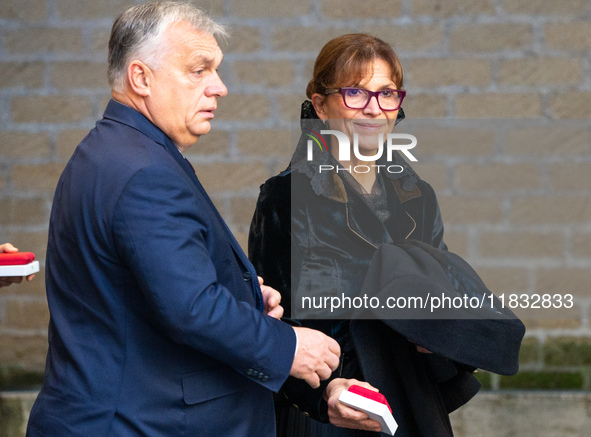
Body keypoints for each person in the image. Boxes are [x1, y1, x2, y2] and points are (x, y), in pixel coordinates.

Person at [26, 2, 340, 436]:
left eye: (216, 69)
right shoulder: (143, 171)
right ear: (141, 78)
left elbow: (143, 284)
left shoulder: (112, 151)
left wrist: (243, 293)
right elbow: (191, 308)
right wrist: (289, 346)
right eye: (199, 70)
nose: (219, 87)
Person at [249, 34, 483, 437]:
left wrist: (441, 328)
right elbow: (269, 322)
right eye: (355, 92)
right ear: (320, 106)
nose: (373, 109)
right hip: (330, 410)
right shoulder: (286, 196)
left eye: (387, 93)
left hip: (407, 401)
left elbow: (442, 288)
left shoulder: (417, 196)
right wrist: (324, 394)